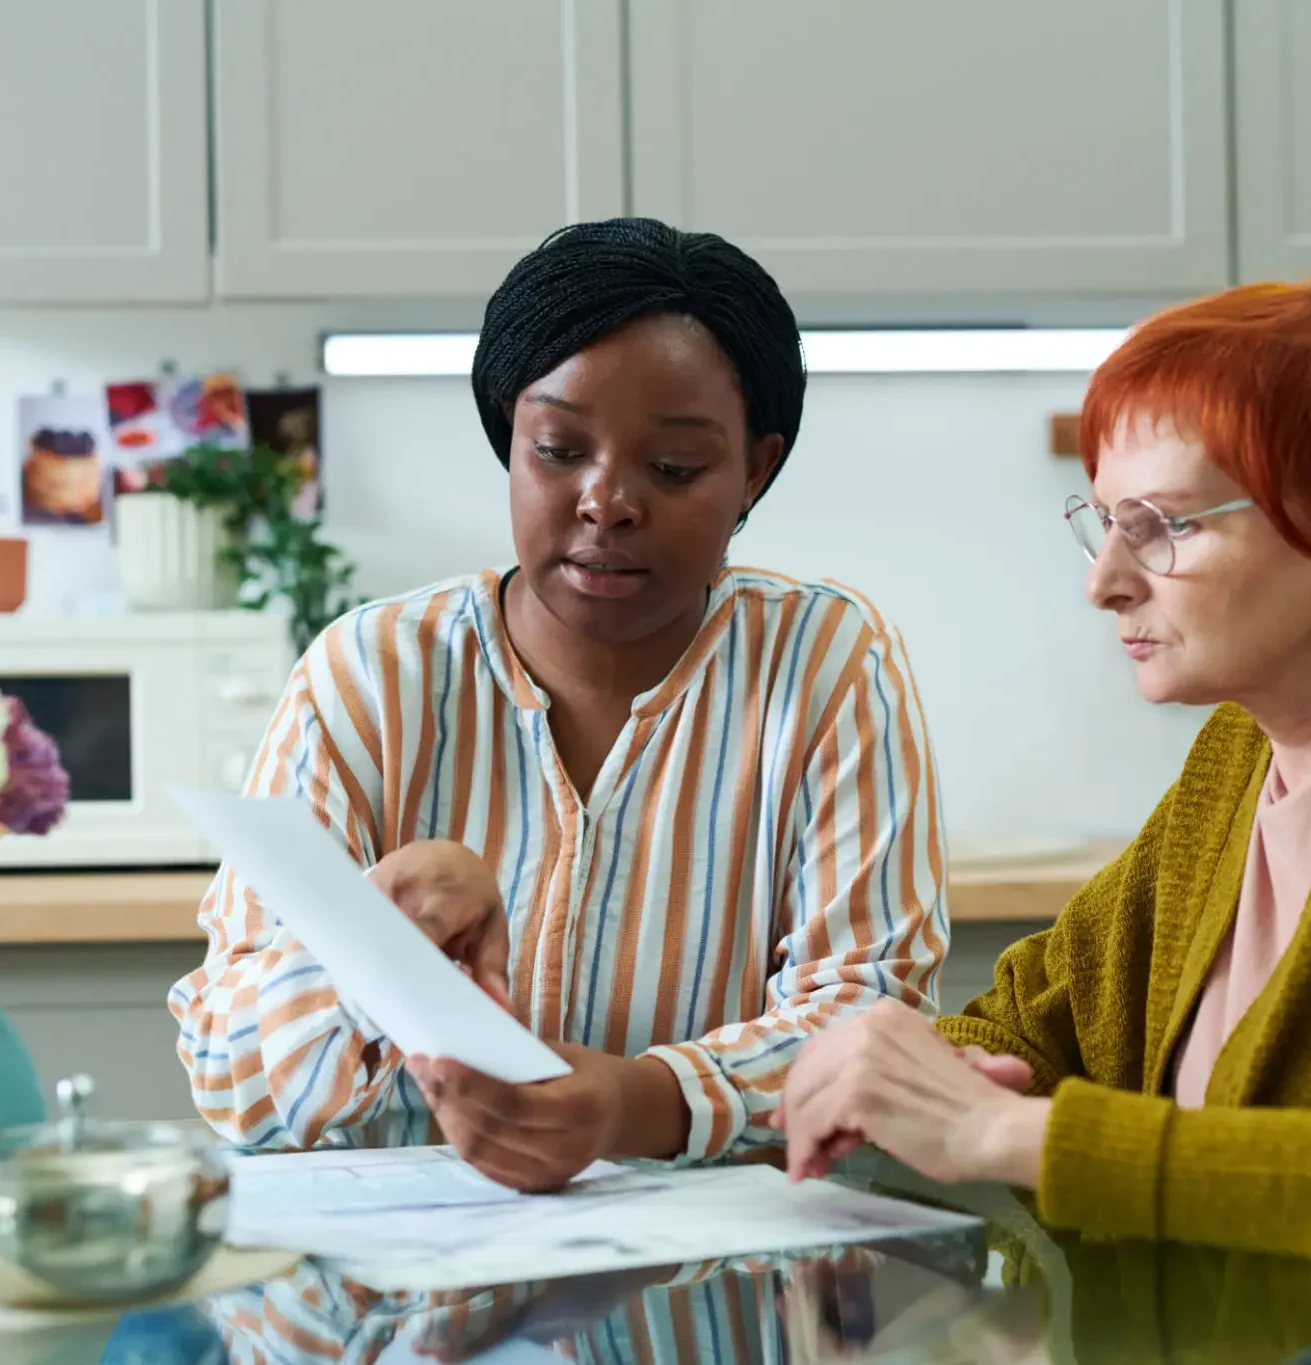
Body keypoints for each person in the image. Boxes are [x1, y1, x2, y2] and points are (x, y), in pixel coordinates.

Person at [170, 218, 948, 1187]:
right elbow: (227, 1080)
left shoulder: (823, 663)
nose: (607, 501)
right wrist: (382, 934)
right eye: (558, 449)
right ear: (510, 440)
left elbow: (867, 1022)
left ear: (755, 470)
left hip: (710, 1294)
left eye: (674, 469)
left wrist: (638, 1103)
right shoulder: (369, 674)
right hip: (403, 1307)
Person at [780, 272, 1311, 1263]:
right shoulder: (1237, 761)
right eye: (1105, 522)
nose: (1104, 582)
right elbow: (1032, 1021)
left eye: (1164, 526)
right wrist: (905, 1072)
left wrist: (1005, 1134)